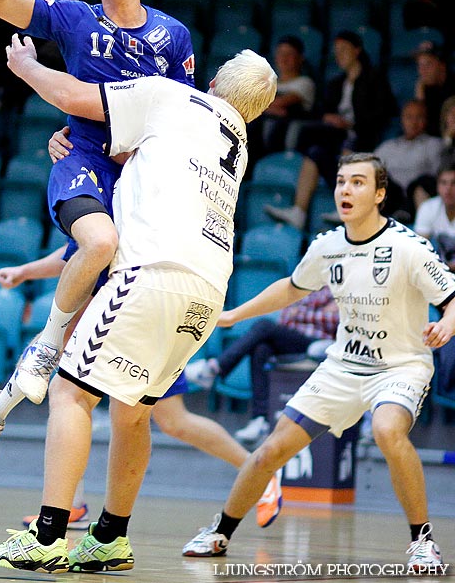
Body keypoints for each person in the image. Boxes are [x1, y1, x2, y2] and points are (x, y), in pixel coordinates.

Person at [0, 37, 277, 574]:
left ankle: (45, 537)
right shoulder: (237, 138)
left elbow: (74, 95)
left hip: (151, 274)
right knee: (134, 412)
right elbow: (131, 154)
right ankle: (111, 537)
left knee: (69, 394)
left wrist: (25, 66)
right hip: (207, 291)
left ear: (210, 82)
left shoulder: (172, 97)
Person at [0, 0, 196, 486]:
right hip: (85, 161)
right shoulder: (74, 18)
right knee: (98, 244)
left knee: (117, 399)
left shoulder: (174, 35)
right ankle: (42, 348)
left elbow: (185, 114)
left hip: (142, 190)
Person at [182, 152, 455, 572]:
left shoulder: (408, 247)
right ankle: (220, 530)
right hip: (342, 366)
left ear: (380, 194)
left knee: (386, 430)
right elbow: (292, 288)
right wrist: (236, 314)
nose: (346, 189)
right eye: (342, 181)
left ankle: (422, 541)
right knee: (271, 449)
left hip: (400, 367)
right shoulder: (328, 246)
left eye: (358, 182)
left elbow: (452, 300)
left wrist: (448, 326)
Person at [0, 249, 281, 531]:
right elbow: (77, 248)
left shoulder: (131, 209)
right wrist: (25, 271)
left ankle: (258, 471)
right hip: (116, 313)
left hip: (137, 313)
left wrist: (25, 272)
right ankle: (73, 506)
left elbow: (91, 245)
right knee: (72, 401)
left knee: (169, 420)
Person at [266, 30, 395, 229]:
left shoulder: (374, 79)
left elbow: (382, 113)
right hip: (336, 135)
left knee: (350, 143)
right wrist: (328, 118)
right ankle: (299, 212)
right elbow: (321, 110)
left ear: (357, 50)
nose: (339, 55)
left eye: (344, 50)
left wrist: (351, 124)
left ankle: (350, 205)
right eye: (337, 51)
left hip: (363, 136)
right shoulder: (336, 83)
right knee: (314, 152)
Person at [186, 286, 338, 444]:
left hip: (320, 343)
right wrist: (316, 313)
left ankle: (213, 368)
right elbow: (285, 315)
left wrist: (300, 312)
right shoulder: (310, 284)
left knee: (264, 326)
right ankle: (260, 420)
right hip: (294, 337)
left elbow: (335, 319)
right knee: (261, 349)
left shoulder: (342, 283)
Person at [373, 99, 442, 220]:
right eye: (409, 117)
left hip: (419, 199)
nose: (414, 123)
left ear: (426, 120)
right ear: (402, 120)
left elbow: (439, 178)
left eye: (419, 117)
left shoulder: (435, 145)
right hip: (390, 199)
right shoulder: (387, 147)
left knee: (423, 182)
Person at [253, 34, 316, 158]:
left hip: (284, 135)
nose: (284, 58)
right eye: (280, 53)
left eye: (289, 54)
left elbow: (280, 103)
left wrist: (262, 106)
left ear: (300, 58)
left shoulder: (305, 82)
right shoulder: (268, 82)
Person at [414, 163, 455, 269]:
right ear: (437, 186)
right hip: (438, 273)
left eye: (454, 183)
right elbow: (419, 249)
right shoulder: (428, 207)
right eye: (443, 183)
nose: (448, 189)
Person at [414, 41, 455, 137]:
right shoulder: (426, 87)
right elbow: (421, 126)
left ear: (442, 65)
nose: (422, 71)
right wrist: (420, 97)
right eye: (419, 65)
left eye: (428, 64)